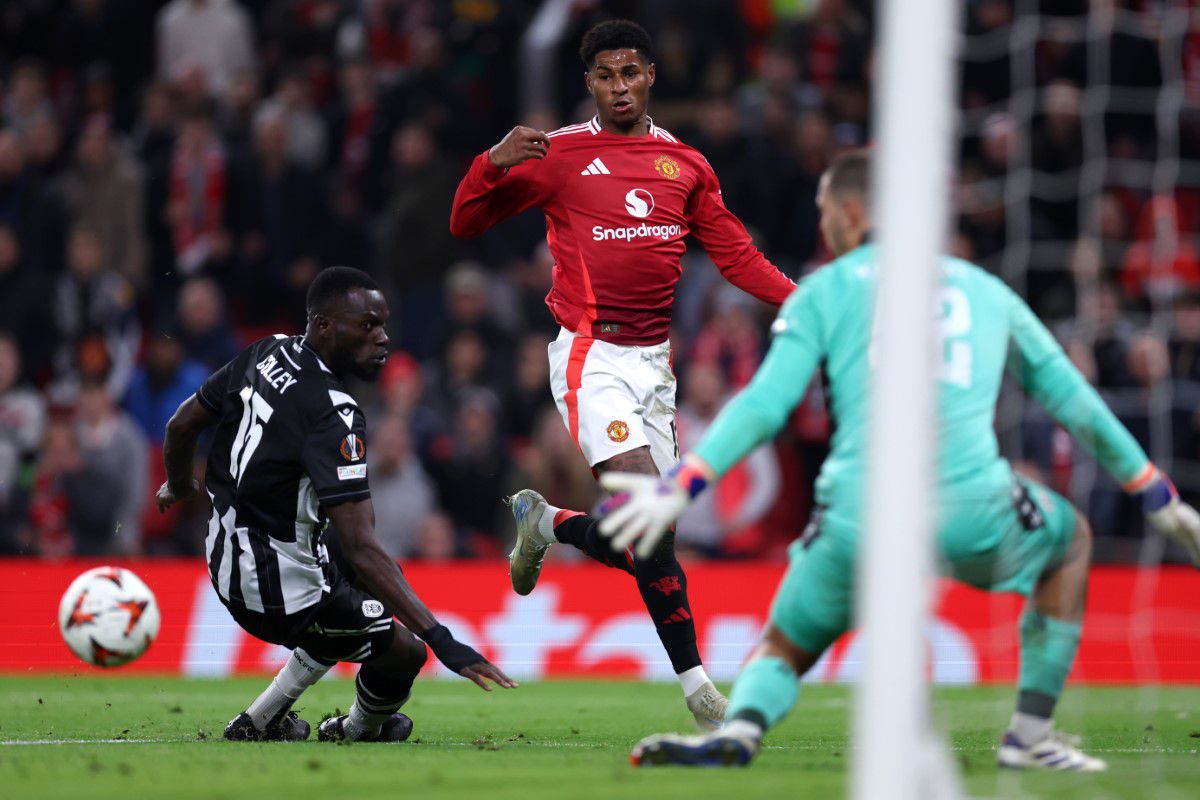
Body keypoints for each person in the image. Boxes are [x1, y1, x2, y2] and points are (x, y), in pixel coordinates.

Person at [598, 151, 1200, 770]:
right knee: (1070, 543)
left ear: (853, 212)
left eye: (825, 211)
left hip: (859, 515)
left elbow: (765, 403)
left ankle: (742, 730)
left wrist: (683, 484)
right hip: (973, 508)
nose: (823, 224)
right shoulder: (983, 289)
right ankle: (1029, 734)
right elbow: (1072, 398)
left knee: (783, 644)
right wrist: (1155, 491)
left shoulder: (826, 289)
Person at [449, 19, 795, 728]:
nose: (619, 87)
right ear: (589, 84)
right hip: (591, 354)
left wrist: (808, 301)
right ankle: (701, 693)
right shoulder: (560, 154)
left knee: (655, 537)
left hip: (654, 367)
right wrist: (490, 159)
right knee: (645, 504)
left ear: (650, 77)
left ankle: (549, 523)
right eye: (605, 75)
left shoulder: (688, 166)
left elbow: (736, 258)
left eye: (630, 72)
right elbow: (464, 222)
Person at [156, 266, 515, 744]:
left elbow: (181, 425)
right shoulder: (335, 413)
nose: (382, 339)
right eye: (367, 326)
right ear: (324, 326)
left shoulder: (268, 350)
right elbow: (362, 546)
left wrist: (179, 485)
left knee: (346, 586)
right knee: (404, 651)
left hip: (222, 555)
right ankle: (352, 729)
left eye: (383, 325)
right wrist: (442, 640)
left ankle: (264, 719)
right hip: (273, 591)